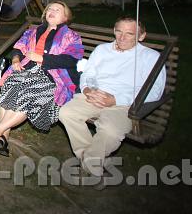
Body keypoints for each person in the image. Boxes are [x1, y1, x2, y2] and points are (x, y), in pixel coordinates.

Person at [58, 18, 166, 178]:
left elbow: (155, 91)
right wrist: (88, 89)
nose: (122, 37)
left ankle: (89, 163)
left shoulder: (151, 57)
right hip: (95, 95)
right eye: (119, 31)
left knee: (110, 130)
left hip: (125, 103)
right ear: (114, 31)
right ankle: (91, 160)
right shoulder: (102, 50)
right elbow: (88, 74)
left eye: (129, 34)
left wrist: (116, 99)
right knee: (66, 113)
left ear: (142, 36)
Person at [0, 2, 83, 156]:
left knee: (28, 92)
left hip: (53, 76)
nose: (52, 11)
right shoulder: (35, 31)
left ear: (65, 17)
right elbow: (18, 47)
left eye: (57, 10)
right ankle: (4, 138)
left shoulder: (71, 36)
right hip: (27, 70)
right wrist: (16, 60)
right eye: (49, 9)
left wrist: (43, 58)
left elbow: (71, 59)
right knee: (10, 83)